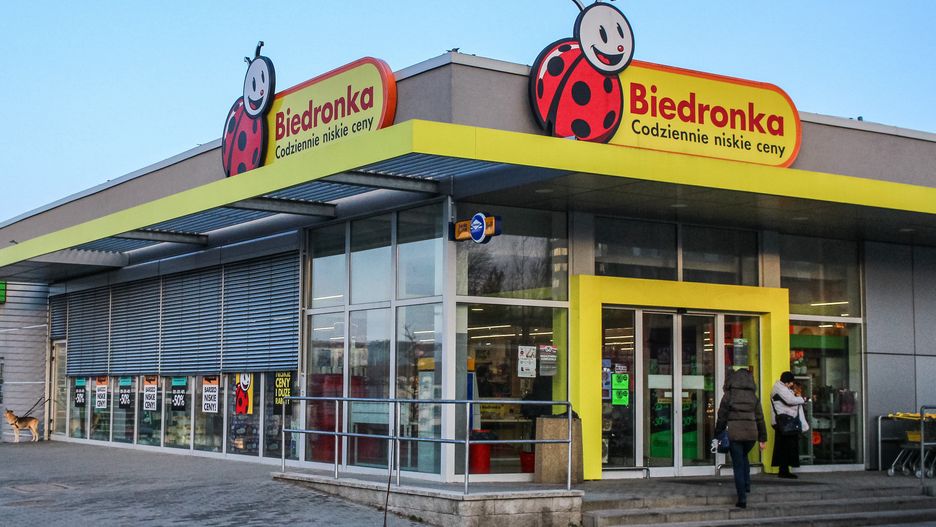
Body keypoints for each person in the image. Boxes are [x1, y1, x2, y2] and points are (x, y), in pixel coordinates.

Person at [715, 368, 767, 509]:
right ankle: (747, 485)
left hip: (735, 434)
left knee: (738, 464)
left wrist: (718, 433)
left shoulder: (729, 395)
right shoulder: (753, 397)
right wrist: (763, 438)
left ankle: (742, 498)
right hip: (751, 435)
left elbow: (722, 417)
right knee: (744, 457)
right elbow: (760, 418)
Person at [770, 371, 810, 478]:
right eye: (791, 382)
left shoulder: (781, 388)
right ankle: (784, 471)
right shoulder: (780, 389)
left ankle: (784, 470)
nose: (792, 384)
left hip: (784, 422)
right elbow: (790, 400)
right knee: (786, 447)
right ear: (787, 381)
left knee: (784, 447)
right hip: (784, 422)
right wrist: (803, 399)